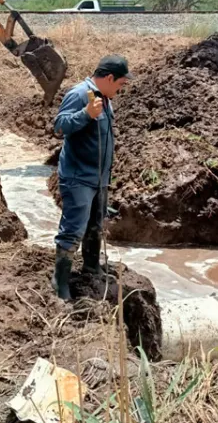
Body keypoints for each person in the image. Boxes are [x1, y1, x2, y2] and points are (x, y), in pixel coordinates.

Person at [51, 55, 132, 300]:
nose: (122, 88)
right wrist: (85, 114)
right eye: (120, 83)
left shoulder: (105, 99)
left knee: (96, 224)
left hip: (98, 177)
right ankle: (60, 281)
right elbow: (59, 127)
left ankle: (91, 266)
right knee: (74, 229)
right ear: (109, 78)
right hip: (78, 177)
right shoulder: (80, 94)